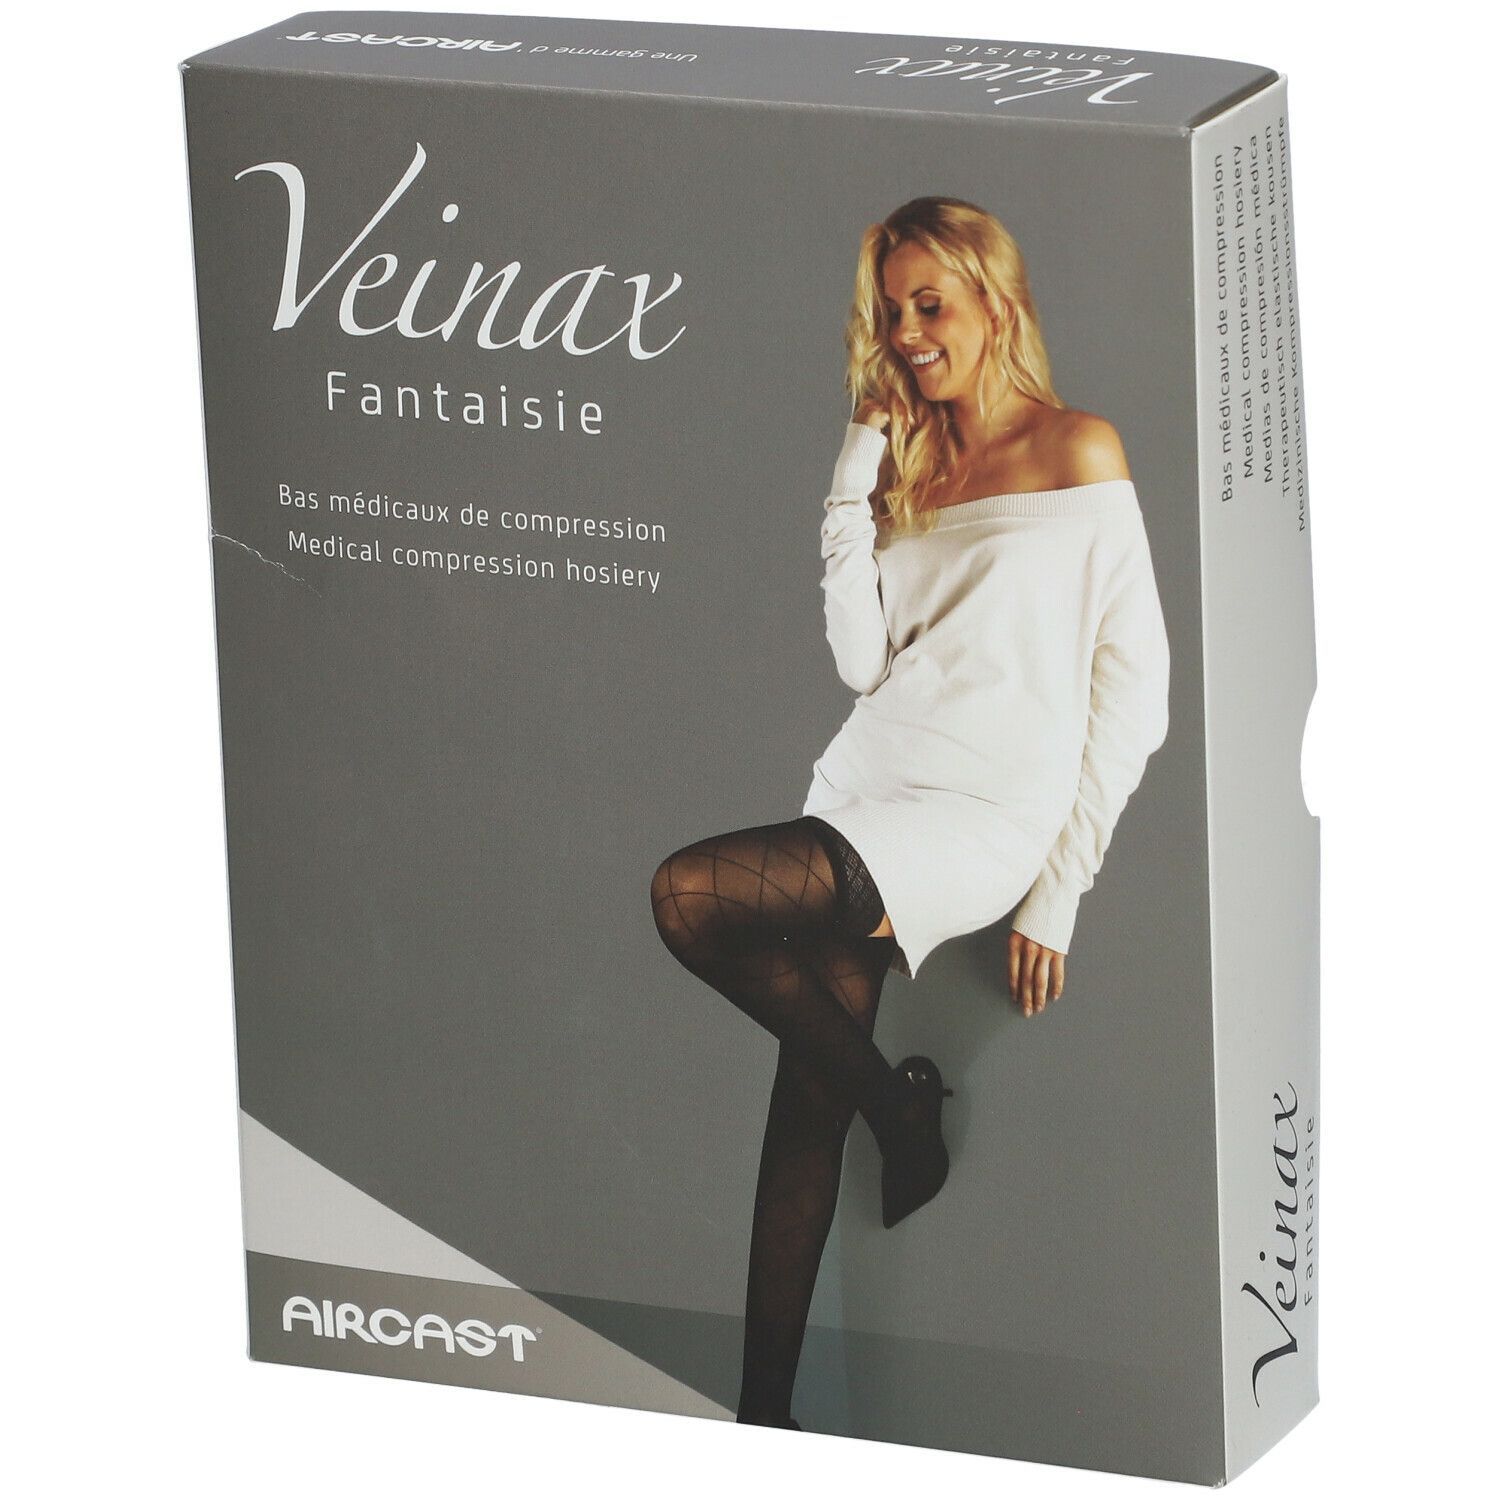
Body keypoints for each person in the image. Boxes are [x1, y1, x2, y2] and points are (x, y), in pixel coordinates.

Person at [649, 196, 1170, 1432]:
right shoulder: (909, 465)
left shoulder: (1080, 449)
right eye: (890, 312)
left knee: (688, 898)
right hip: (868, 782)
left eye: (930, 305)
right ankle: (762, 1424)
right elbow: (859, 662)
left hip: (983, 811)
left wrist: (1059, 888)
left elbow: (1134, 686)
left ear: (995, 299)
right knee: (803, 1107)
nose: (908, 333)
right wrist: (852, 477)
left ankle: (896, 1109)